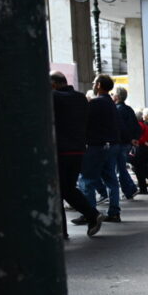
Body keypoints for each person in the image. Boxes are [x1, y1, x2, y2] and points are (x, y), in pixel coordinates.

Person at [51, 71, 102, 238]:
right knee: (67, 188)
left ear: (53, 84)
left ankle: (63, 230)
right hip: (78, 150)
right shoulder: (81, 98)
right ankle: (90, 215)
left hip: (60, 150)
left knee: (59, 189)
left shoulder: (53, 97)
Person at [76, 74, 122, 223]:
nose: (93, 84)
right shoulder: (111, 103)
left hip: (97, 145)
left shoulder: (95, 103)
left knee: (87, 180)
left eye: (95, 82)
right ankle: (114, 212)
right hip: (112, 145)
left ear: (99, 85)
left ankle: (90, 214)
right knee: (111, 179)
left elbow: (85, 123)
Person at [111, 85, 140, 200]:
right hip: (127, 143)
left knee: (120, 168)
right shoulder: (129, 109)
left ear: (117, 97)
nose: (111, 96)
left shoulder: (117, 110)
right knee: (121, 167)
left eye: (113, 94)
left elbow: (121, 128)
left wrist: (129, 138)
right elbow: (136, 127)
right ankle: (130, 189)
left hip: (121, 142)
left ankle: (130, 189)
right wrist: (134, 139)